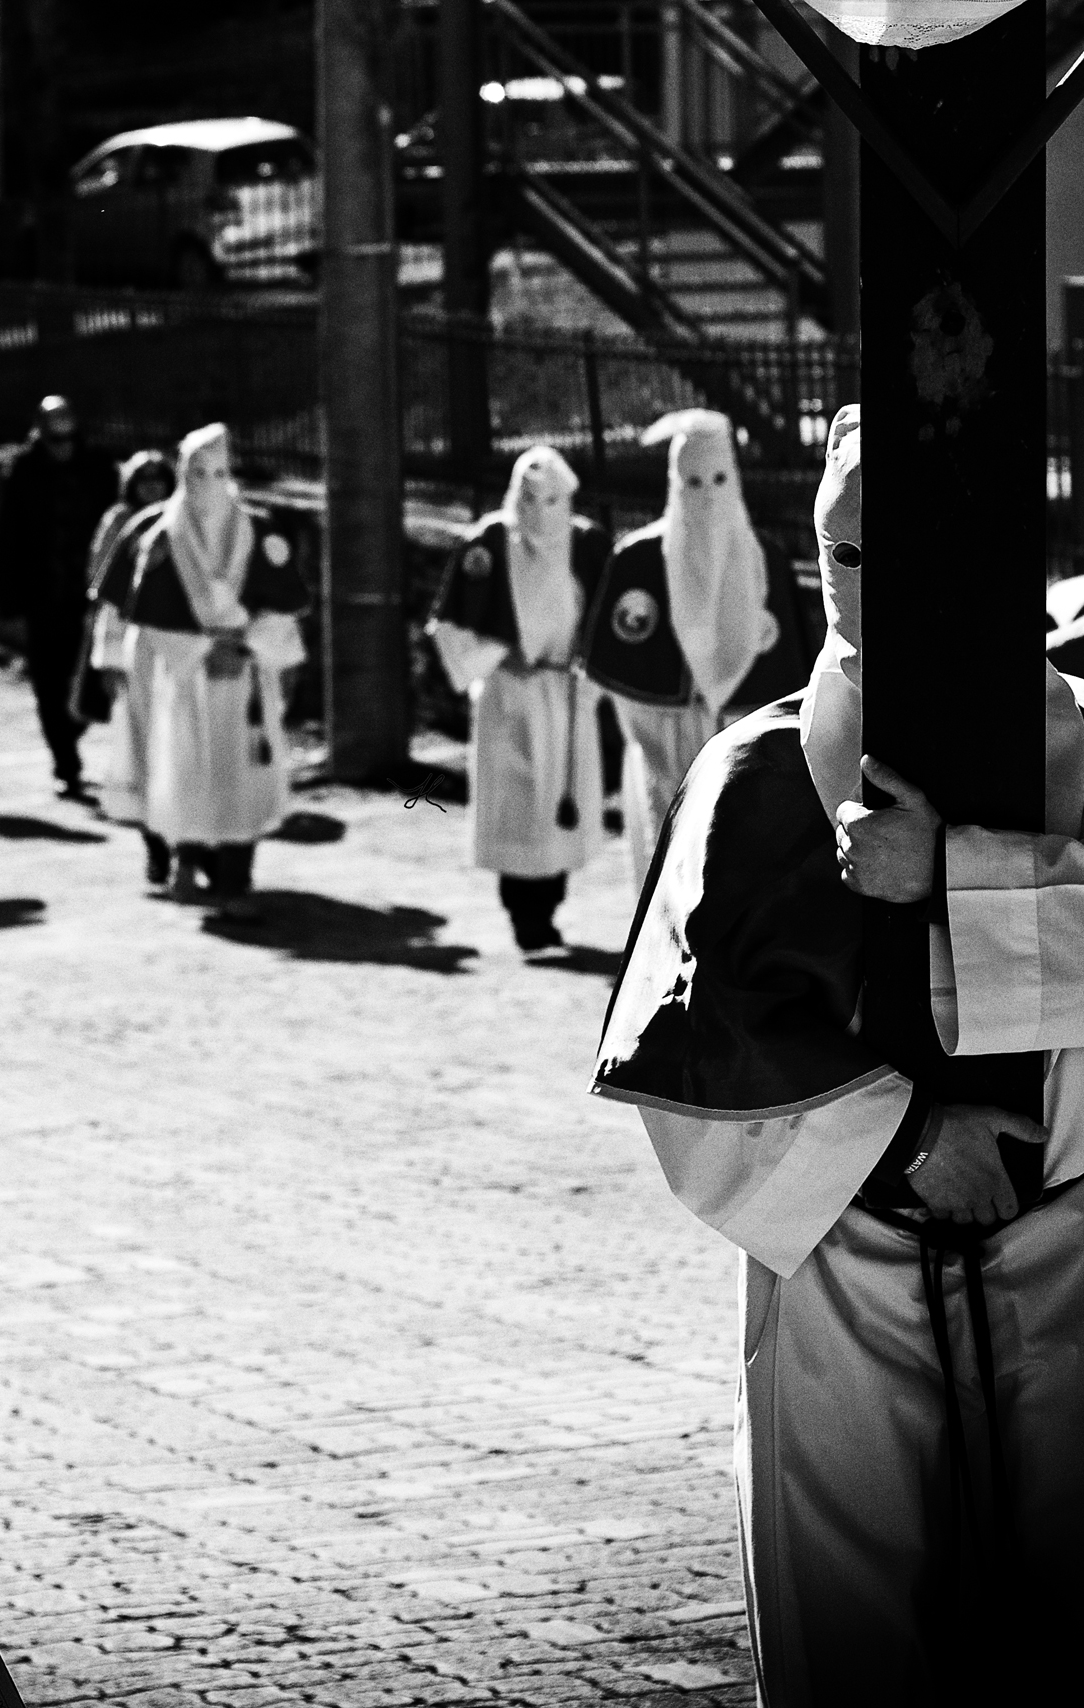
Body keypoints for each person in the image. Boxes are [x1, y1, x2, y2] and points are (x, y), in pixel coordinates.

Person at [592, 406, 1084, 1700]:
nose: (865, 587)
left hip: (1070, 1261)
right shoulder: (745, 776)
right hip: (844, 1284)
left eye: (902, 552)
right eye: (840, 553)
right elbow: (687, 1045)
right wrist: (914, 1135)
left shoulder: (1080, 740)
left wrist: (954, 878)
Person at [582, 409, 807, 883]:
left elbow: (791, 674)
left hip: (744, 736)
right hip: (663, 737)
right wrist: (657, 732)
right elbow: (619, 665)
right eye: (692, 481)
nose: (706, 495)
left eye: (719, 479)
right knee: (666, 855)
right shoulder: (639, 559)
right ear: (673, 480)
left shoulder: (765, 559)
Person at [426, 446, 610, 952]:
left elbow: (606, 619)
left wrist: (585, 666)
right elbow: (452, 622)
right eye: (531, 499)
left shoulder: (587, 544)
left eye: (553, 500)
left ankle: (548, 910)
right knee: (517, 803)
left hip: (565, 691)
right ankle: (524, 918)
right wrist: (497, 654)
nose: (541, 512)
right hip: (509, 693)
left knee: (558, 802)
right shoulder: (489, 542)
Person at [128, 424, 307, 919]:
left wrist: (248, 647)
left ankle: (234, 880)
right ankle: (187, 858)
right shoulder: (164, 538)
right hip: (190, 679)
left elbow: (281, 607)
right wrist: (205, 650)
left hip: (246, 678)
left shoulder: (260, 530)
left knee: (245, 773)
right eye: (196, 473)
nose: (208, 483)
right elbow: (152, 618)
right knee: (189, 768)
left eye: (218, 472)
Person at [0, 396, 118, 798]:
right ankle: (65, 761)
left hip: (88, 594)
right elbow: (9, 537)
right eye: (54, 432)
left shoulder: (98, 469)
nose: (62, 441)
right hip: (42, 596)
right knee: (48, 684)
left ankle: (72, 730)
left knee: (88, 680)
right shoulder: (24, 471)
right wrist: (9, 602)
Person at [84, 451, 175, 882]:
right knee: (140, 753)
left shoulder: (184, 524)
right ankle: (155, 845)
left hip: (180, 656)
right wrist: (108, 658)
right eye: (145, 479)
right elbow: (109, 593)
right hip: (135, 652)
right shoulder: (126, 524)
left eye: (161, 478)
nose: (153, 486)